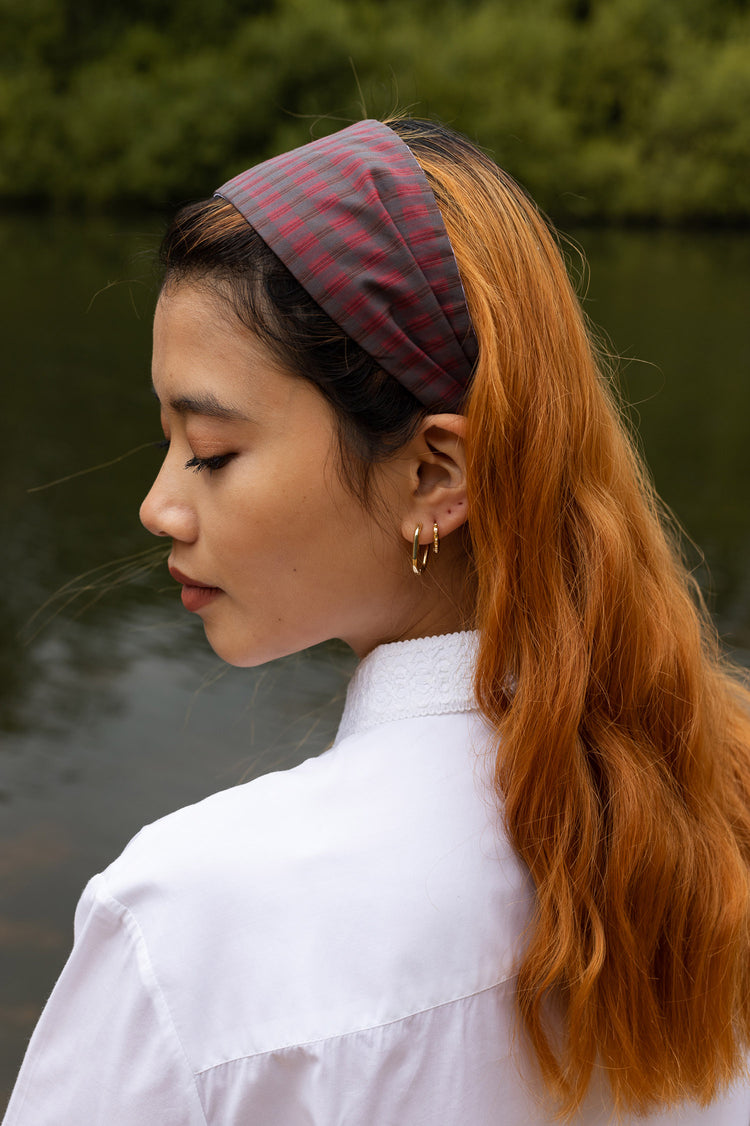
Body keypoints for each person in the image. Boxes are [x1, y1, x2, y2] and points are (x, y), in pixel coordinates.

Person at [3, 118, 749, 1125]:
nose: (160, 506)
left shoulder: (188, 926)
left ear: (435, 474)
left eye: (211, 450)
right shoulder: (719, 810)